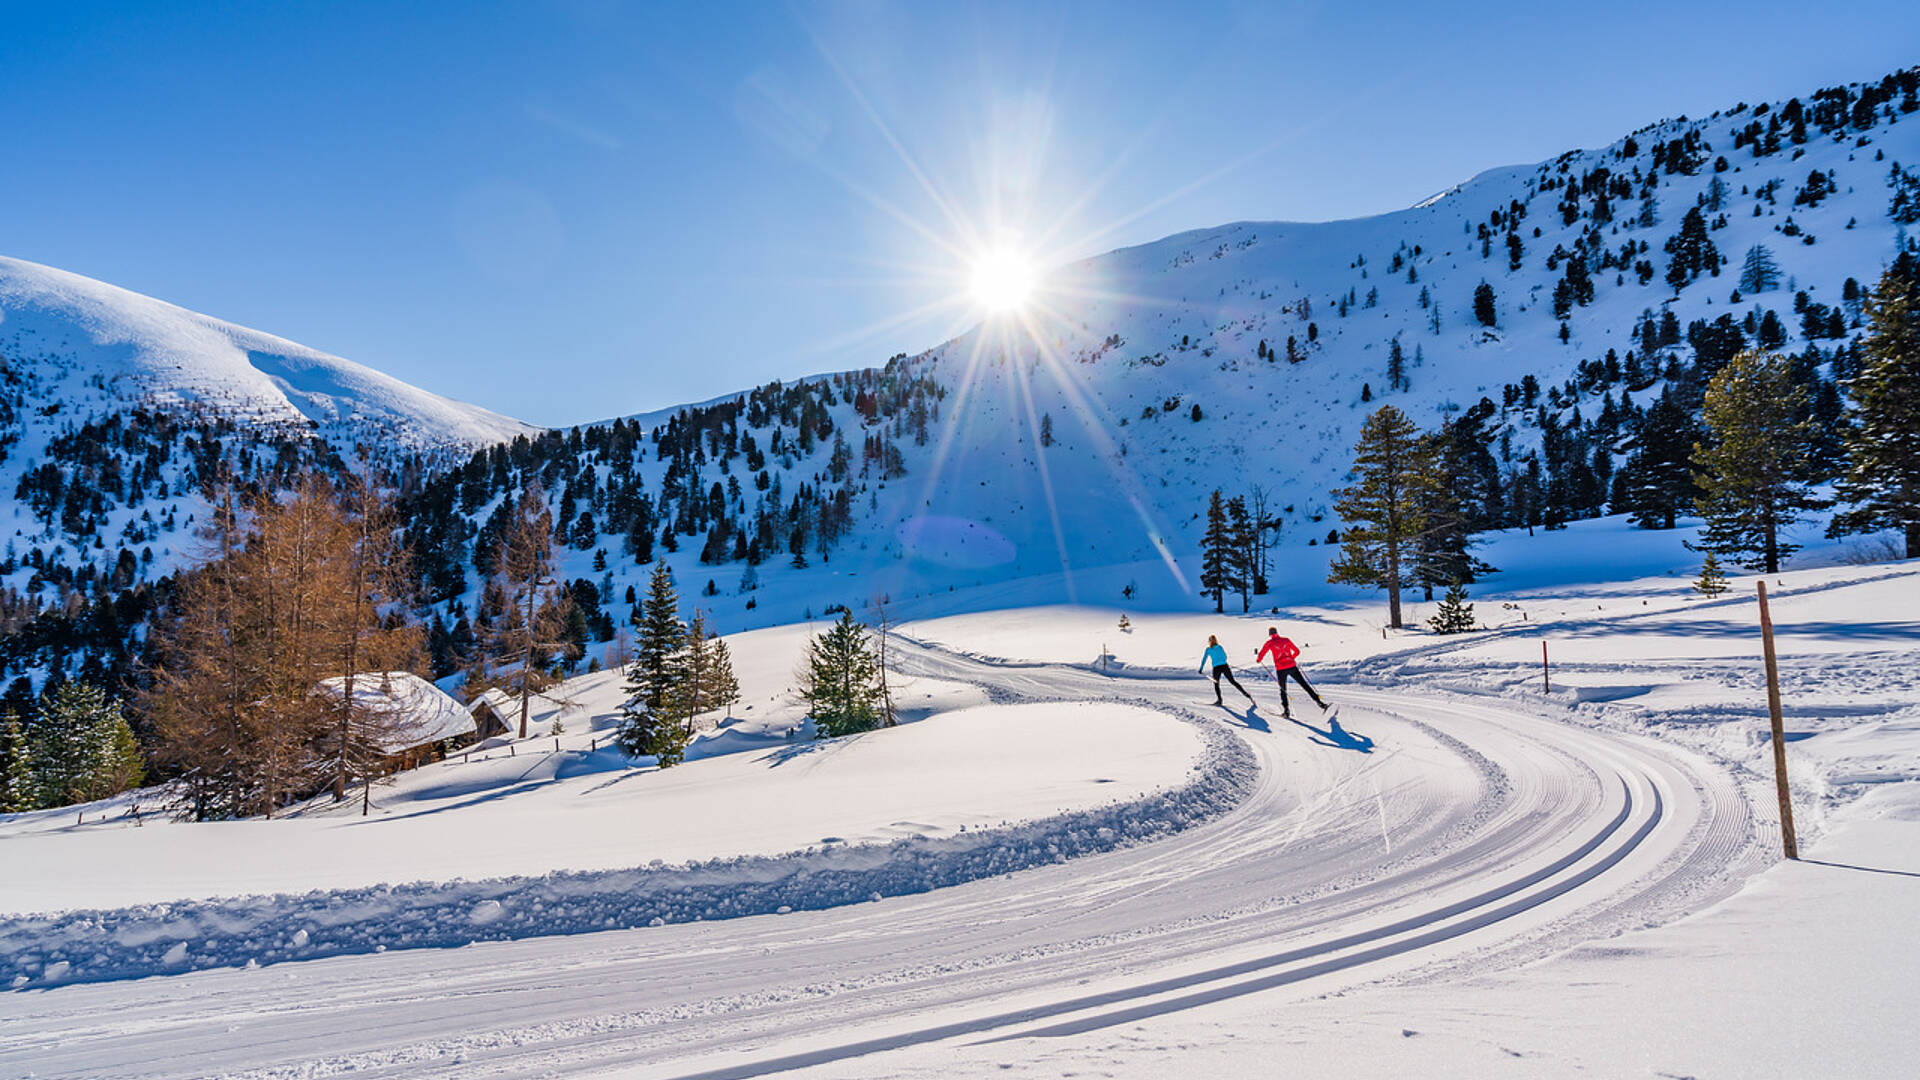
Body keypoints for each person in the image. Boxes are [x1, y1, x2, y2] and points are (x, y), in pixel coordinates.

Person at [1256, 626, 1327, 719]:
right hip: (1292, 666)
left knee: (1283, 689)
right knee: (1304, 684)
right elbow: (1297, 651)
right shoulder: (1286, 640)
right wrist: (1291, 658)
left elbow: (1261, 654)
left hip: (1281, 669)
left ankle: (1286, 711)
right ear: (1277, 632)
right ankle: (1319, 702)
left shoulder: (1269, 643)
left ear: (1270, 634)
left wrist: (1258, 659)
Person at [1200, 633, 1254, 706]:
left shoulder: (1208, 649)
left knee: (1216, 684)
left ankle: (1219, 700)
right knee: (1233, 681)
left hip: (1216, 668)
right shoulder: (1220, 647)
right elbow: (1225, 656)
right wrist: (1222, 661)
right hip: (1225, 666)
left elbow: (1204, 659)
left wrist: (1201, 669)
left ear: (1209, 641)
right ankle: (1246, 694)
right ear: (1216, 640)